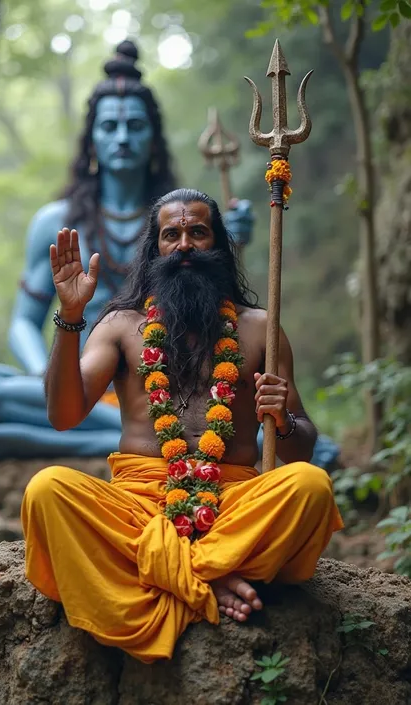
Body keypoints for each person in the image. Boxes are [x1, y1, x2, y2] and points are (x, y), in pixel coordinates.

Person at [22, 188, 343, 664]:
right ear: (154, 250)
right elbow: (63, 415)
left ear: (218, 246)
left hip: (232, 499)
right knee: (47, 491)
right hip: (138, 502)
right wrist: (70, 318)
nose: (185, 245)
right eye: (171, 234)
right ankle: (213, 575)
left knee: (310, 487)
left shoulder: (259, 329)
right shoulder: (120, 325)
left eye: (198, 232)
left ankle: (169, 573)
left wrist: (285, 417)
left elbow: (299, 452)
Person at [0, 41, 253, 463]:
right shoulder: (55, 221)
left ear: (154, 138)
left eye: (135, 126)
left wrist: (230, 242)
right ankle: (89, 433)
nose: (123, 138)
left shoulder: (177, 224)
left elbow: (218, 304)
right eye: (110, 126)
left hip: (159, 383)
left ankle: (49, 439)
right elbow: (23, 322)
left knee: (202, 405)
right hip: (82, 379)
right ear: (91, 137)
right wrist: (49, 374)